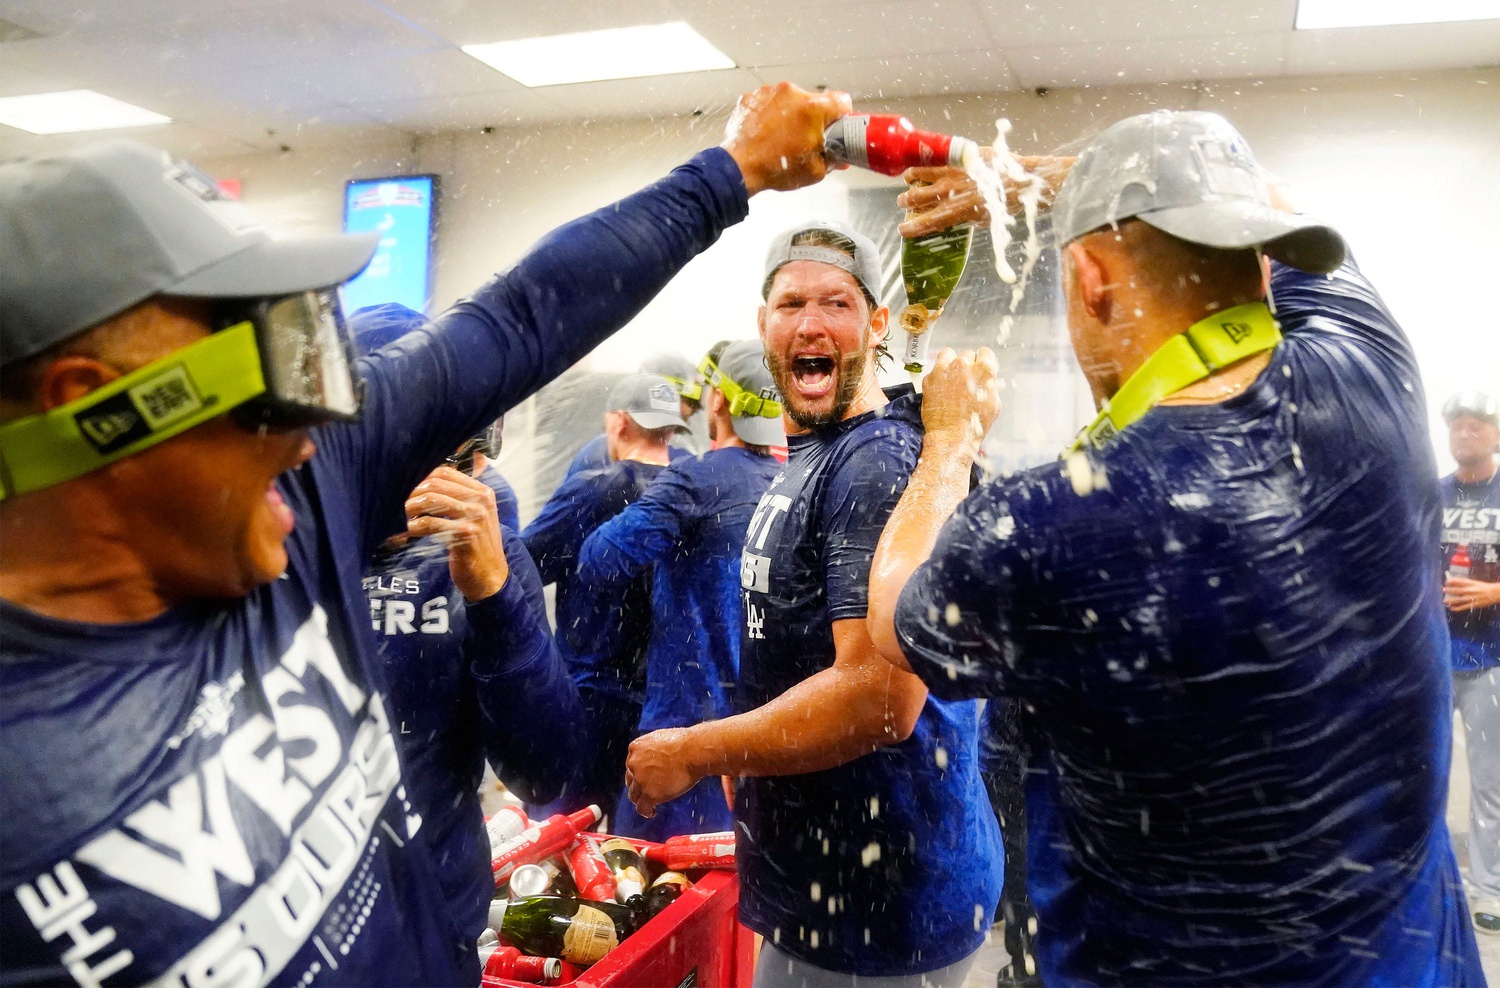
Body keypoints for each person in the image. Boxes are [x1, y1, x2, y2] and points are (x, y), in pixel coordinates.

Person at [0, 81, 851, 986]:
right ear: (93, 412)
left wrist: (736, 172)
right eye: (261, 388)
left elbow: (521, 315)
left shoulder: (307, 486)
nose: (310, 432)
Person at [865, 110, 1485, 985]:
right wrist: (1046, 182)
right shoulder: (1370, 368)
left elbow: (892, 617)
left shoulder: (1041, 526)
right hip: (1419, 966)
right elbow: (1272, 201)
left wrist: (948, 442)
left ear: (1088, 279)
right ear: (1260, 259)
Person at [625, 221, 1003, 987]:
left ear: (878, 324)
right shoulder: (816, 454)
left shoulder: (876, 462)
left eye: (837, 302)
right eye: (791, 302)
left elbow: (881, 698)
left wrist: (698, 750)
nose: (811, 323)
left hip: (878, 904)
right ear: (762, 325)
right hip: (829, 888)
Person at [352, 306, 584, 981]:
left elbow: (543, 770)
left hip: (433, 912)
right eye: (437, 454)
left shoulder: (483, 543)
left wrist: (495, 597)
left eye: (470, 458)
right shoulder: (284, 542)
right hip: (300, 918)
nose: (462, 479)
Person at [577, 340, 784, 840]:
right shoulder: (791, 484)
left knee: (651, 896)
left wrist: (635, 476)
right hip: (762, 745)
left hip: (681, 748)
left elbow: (599, 562)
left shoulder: (692, 480)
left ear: (717, 402)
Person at [522, 373, 687, 824]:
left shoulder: (593, 488)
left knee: (557, 841)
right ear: (671, 430)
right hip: (661, 705)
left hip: (586, 698)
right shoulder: (693, 491)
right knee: (634, 860)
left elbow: (521, 566)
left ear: (616, 423)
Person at [1440, 389, 1500, 936]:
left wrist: (1491, 593)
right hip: (1433, 659)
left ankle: (1490, 890)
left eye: (1477, 425)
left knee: (1490, 783)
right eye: (1457, 426)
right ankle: (1428, 885)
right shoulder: (1430, 495)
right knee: (1422, 774)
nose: (1466, 434)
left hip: (1493, 661)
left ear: (1497, 432)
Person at [564, 352, 705, 477]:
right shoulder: (678, 459)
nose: (693, 410)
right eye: (689, 401)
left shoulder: (595, 448)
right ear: (663, 396)